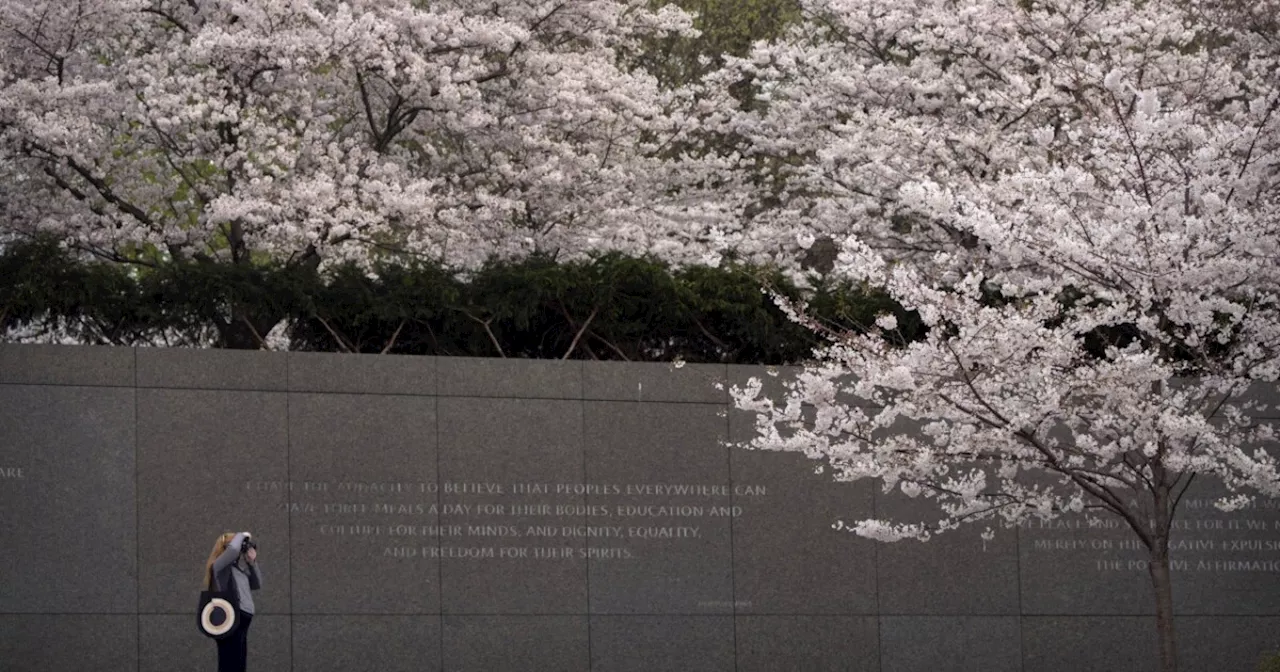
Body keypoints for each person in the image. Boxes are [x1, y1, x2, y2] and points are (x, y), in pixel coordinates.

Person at [204, 531, 262, 672]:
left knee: (239, 663)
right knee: (229, 662)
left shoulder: (238, 570)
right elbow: (234, 549)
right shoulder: (219, 567)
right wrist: (243, 535)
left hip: (243, 620)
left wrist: (252, 563)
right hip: (231, 620)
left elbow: (257, 584)